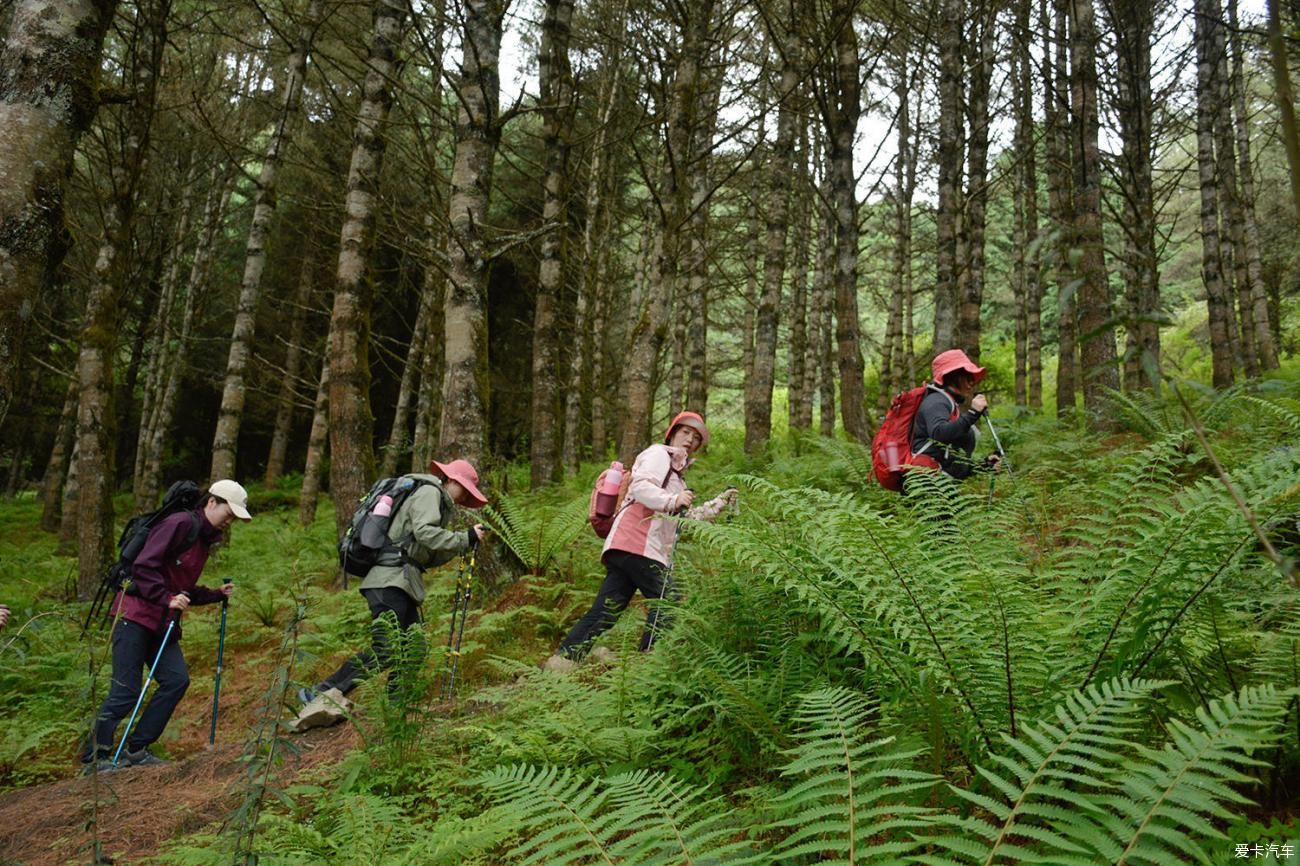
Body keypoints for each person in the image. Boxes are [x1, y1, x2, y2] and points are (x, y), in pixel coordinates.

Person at [544, 411, 737, 672]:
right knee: (667, 601)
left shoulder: (677, 478)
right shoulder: (659, 454)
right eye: (685, 432)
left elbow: (683, 518)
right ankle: (649, 665)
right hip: (638, 544)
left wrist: (719, 503)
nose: (690, 440)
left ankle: (564, 660)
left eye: (696, 437)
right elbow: (641, 488)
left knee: (606, 610)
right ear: (672, 433)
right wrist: (672, 500)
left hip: (626, 547)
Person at [83, 479, 250, 770]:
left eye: (234, 517)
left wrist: (213, 595)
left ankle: (137, 749)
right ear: (212, 502)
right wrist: (165, 598)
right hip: (134, 615)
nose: (230, 521)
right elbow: (144, 566)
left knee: (176, 680)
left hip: (162, 621)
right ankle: (94, 757)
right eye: (229, 513)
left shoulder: (202, 540)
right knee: (125, 691)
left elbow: (181, 586)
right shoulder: (181, 524)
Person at [297, 459, 489, 710]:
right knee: (388, 647)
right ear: (451, 480)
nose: (463, 497)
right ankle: (322, 691)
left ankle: (396, 708)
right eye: (463, 489)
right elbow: (425, 533)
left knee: (414, 647)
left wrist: (464, 541)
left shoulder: (433, 499)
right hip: (390, 581)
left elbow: (426, 554)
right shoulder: (431, 491)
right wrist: (465, 537)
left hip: (400, 582)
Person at [907, 348, 1001, 484]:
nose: (971, 384)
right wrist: (973, 414)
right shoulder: (936, 402)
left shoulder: (949, 405)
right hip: (927, 484)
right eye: (968, 378)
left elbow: (951, 462)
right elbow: (939, 433)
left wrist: (984, 466)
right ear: (954, 376)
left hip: (938, 486)